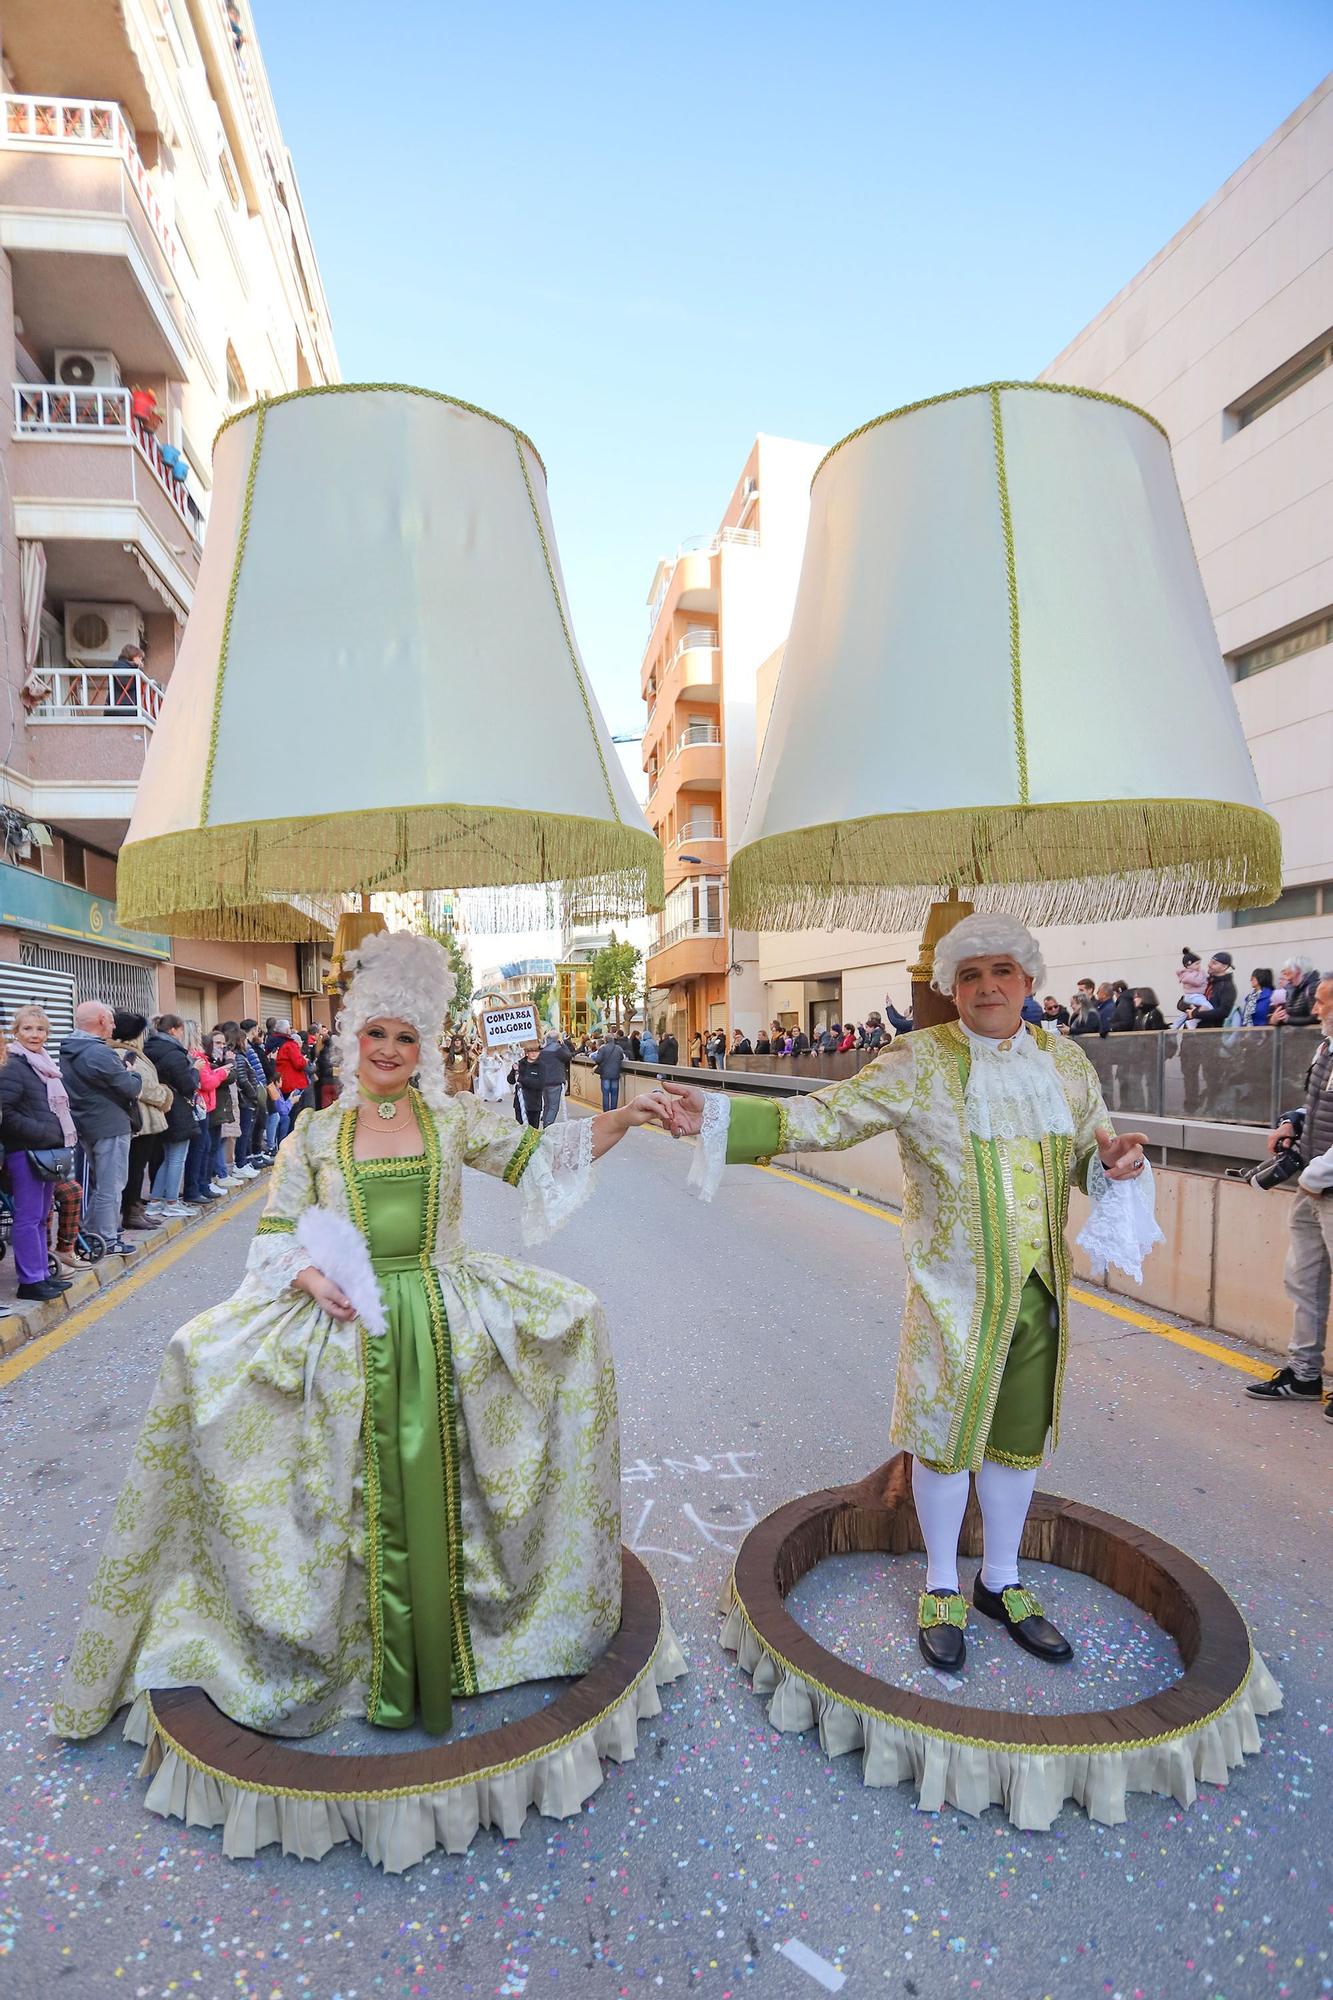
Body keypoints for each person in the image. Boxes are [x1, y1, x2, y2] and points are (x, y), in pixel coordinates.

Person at [52, 930, 681, 1782]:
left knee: (565, 1333)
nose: (388, 1050)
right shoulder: (314, 1134)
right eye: (376, 1033)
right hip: (353, 1322)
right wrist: (310, 1275)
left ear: (425, 1047)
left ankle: (478, 1636)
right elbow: (277, 1230)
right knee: (211, 1370)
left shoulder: (452, 1116)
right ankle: (346, 1648)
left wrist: (626, 1116)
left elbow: (542, 1157)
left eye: (406, 1036)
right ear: (354, 1039)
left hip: (445, 1312)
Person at [661, 912, 1155, 1674]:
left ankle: (1001, 1580)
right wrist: (718, 1115)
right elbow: (826, 1117)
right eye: (968, 975)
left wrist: (1112, 1166)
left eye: (1000, 972)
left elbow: (1086, 1157)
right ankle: (939, 1586)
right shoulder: (918, 1060)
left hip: (1038, 1293)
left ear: (1027, 982)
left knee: (1017, 1444)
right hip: (953, 1293)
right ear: (950, 989)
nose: (986, 987)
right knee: (943, 1443)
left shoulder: (1064, 1064)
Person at [1245, 976, 1333, 1412]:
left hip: (1321, 1184)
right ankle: (1303, 1375)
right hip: (1314, 1189)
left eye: (1322, 1003)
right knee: (1303, 1282)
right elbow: (1317, 1106)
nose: (1314, 1010)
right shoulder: (1325, 1049)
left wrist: (1315, 1174)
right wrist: (1290, 1120)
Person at [0, 1009, 76, 1300]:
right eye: (28, 1029)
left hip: (45, 1151)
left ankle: (42, 1274)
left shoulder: (43, 1064)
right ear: (16, 1032)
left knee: (43, 1216)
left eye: (41, 1029)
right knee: (29, 1217)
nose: (35, 1035)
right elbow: (7, 1113)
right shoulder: (13, 1065)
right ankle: (30, 1281)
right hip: (25, 1151)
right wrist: (45, 1132)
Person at [59, 1000, 142, 1256]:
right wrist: (133, 1074)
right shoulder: (98, 1052)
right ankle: (107, 1238)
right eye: (112, 1019)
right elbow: (129, 1088)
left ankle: (93, 1233)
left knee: (98, 1184)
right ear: (102, 1021)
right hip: (110, 1125)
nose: (115, 1025)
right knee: (111, 1184)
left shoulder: (69, 1049)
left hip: (87, 1123)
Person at [112, 1012, 171, 1231]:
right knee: (134, 1169)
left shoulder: (132, 1052)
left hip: (147, 1120)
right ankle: (130, 1211)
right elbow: (144, 1087)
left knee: (138, 1168)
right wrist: (165, 1096)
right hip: (141, 1120)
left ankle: (135, 1209)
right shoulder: (124, 1053)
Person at [144, 1015, 201, 1217]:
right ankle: (171, 1202)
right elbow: (188, 1085)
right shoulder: (174, 1054)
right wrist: (195, 1071)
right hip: (177, 1109)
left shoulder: (148, 1049)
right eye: (181, 1031)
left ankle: (155, 1201)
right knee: (176, 1158)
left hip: (161, 1108)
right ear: (174, 1030)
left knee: (167, 1158)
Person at [1271, 956, 1322, 1026]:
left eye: (1288, 973)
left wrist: (1288, 1019)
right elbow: (1285, 1016)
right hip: (1294, 1035)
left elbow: (1316, 1018)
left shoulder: (1313, 987)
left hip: (1310, 1036)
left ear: (1298, 971)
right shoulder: (1292, 989)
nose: (1287, 978)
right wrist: (1274, 1019)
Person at [1193, 952, 1238, 1028]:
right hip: (1193, 1030)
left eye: (1214, 963)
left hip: (1211, 1033)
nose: (1209, 965)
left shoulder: (1227, 987)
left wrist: (1196, 1014)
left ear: (1224, 967)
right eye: (1210, 962)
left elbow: (1223, 1012)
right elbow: (1187, 999)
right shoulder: (1206, 981)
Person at [538, 1031, 570, 1125]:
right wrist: (563, 1044)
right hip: (555, 1081)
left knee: (547, 1104)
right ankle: (548, 1126)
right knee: (553, 1106)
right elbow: (568, 1056)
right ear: (557, 1038)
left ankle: (545, 1122)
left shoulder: (543, 1050)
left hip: (544, 1081)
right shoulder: (558, 1049)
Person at [511, 1042, 543, 1127]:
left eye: (536, 1051)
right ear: (526, 1053)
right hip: (520, 1103)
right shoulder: (520, 1064)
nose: (533, 1053)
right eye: (531, 1051)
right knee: (520, 1130)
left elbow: (540, 1084)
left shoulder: (542, 1066)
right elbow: (511, 1081)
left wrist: (522, 1079)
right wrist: (514, 1070)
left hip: (534, 1105)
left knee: (533, 1131)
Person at [594, 1032, 626, 1112]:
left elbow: (598, 1060)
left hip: (605, 1074)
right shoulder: (618, 1048)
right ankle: (613, 1111)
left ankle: (606, 1112)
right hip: (615, 1073)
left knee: (606, 1094)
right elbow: (622, 1057)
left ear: (605, 1040)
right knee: (614, 1093)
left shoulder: (602, 1048)